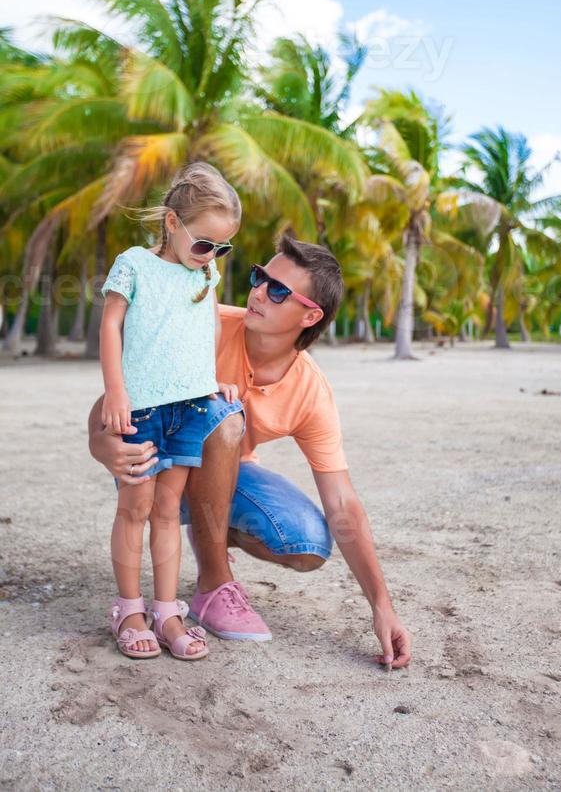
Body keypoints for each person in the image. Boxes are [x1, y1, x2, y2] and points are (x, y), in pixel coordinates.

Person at [89, 233, 412, 669]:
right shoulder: (203, 324)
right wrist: (101, 444)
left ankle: (206, 534)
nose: (258, 291)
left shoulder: (310, 389)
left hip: (221, 479)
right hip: (154, 460)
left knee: (307, 542)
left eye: (277, 290)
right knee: (223, 414)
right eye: (260, 277)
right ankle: (212, 583)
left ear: (310, 315)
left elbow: (341, 501)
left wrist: (381, 605)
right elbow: (116, 397)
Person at [99, 162, 243, 661]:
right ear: (172, 223)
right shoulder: (134, 263)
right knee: (135, 508)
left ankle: (166, 610)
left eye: (222, 248)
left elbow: (207, 326)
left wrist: (209, 376)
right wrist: (115, 391)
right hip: (142, 409)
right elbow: (111, 325)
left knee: (166, 511)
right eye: (205, 243)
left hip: (190, 406)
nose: (212, 256)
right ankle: (129, 608)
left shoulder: (204, 271)